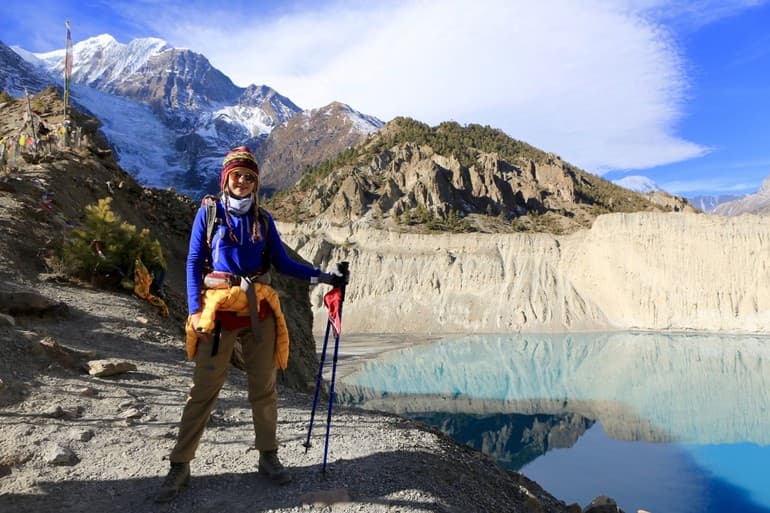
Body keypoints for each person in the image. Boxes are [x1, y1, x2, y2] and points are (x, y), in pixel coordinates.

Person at [155, 146, 344, 503]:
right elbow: (195, 262)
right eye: (236, 176)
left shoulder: (264, 219)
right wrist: (196, 312)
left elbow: (284, 264)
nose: (242, 182)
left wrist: (323, 277)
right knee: (204, 388)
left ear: (256, 183)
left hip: (259, 311)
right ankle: (180, 464)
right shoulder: (209, 214)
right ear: (226, 178)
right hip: (219, 311)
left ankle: (268, 456)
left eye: (249, 177)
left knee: (264, 386)